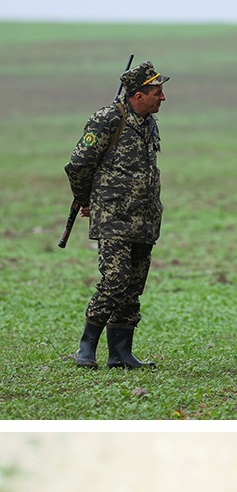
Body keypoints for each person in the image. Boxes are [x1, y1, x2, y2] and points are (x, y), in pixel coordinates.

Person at [65, 57, 167, 373]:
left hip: (145, 218)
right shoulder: (107, 119)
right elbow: (79, 164)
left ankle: (121, 353)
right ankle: (86, 347)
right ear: (138, 95)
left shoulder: (149, 122)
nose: (162, 97)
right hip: (114, 216)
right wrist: (86, 199)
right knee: (115, 278)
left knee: (133, 285)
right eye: (157, 92)